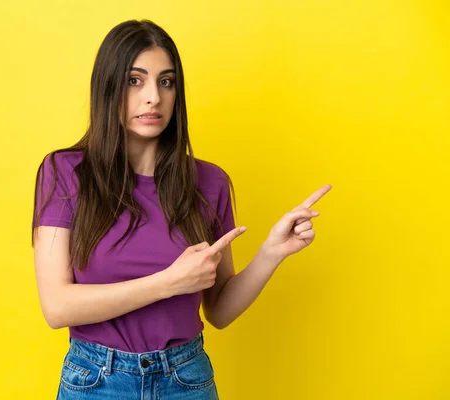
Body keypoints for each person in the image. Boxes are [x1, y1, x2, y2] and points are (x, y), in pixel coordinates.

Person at [32, 19, 332, 400]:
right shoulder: (65, 173)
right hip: (96, 380)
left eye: (166, 81)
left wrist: (273, 252)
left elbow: (219, 310)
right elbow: (57, 307)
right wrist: (168, 283)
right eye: (135, 80)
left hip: (185, 379)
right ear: (108, 88)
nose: (153, 97)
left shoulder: (210, 183)